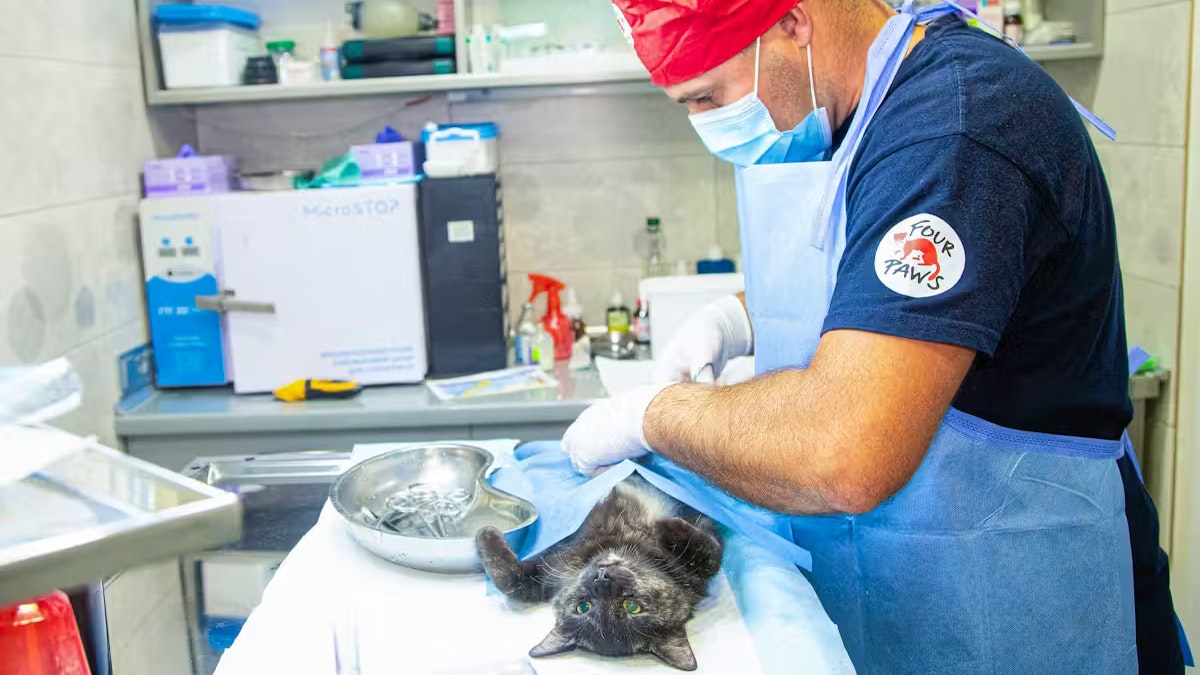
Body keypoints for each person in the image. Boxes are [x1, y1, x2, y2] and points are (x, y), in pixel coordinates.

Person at [561, 0, 1190, 672]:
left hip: (1035, 609)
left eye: (708, 96)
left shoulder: (956, 127)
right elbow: (879, 277)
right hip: (935, 598)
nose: (705, 126)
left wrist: (655, 414)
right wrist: (738, 315)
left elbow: (845, 450)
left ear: (791, 24)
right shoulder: (870, 112)